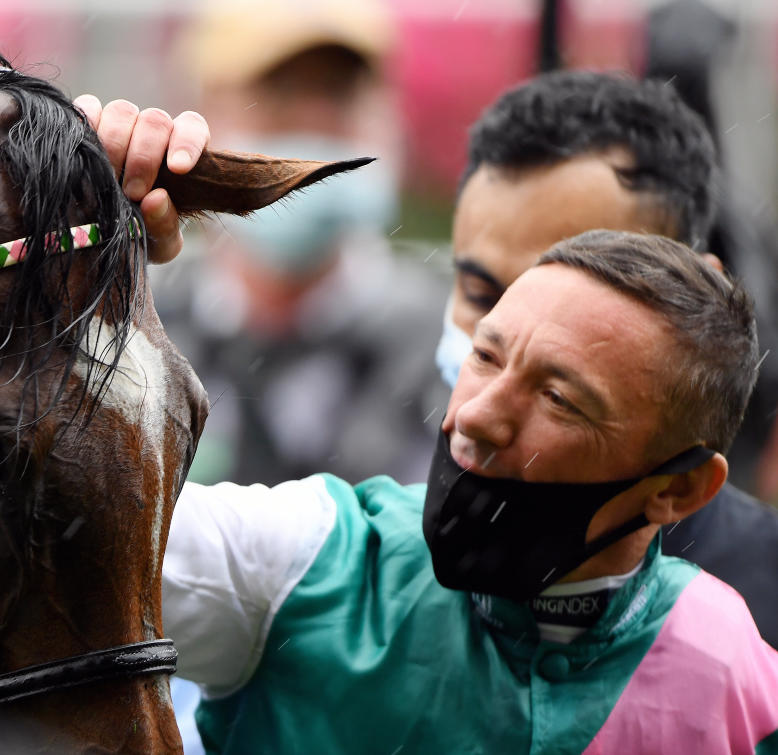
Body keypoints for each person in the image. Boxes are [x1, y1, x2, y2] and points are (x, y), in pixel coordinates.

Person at [77, 85, 778, 754]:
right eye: (485, 338)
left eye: (561, 396)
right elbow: (45, 530)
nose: (473, 413)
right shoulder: (312, 563)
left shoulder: (735, 665)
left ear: (679, 487)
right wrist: (42, 252)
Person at [435, 70, 778, 648]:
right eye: (481, 293)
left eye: (588, 298)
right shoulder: (352, 557)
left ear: (706, 305)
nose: (519, 330)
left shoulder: (761, 618)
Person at [151, 0, 443, 488]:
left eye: (339, 98)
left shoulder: (443, 343)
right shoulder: (139, 324)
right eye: (280, 101)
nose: (313, 131)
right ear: (200, 119)